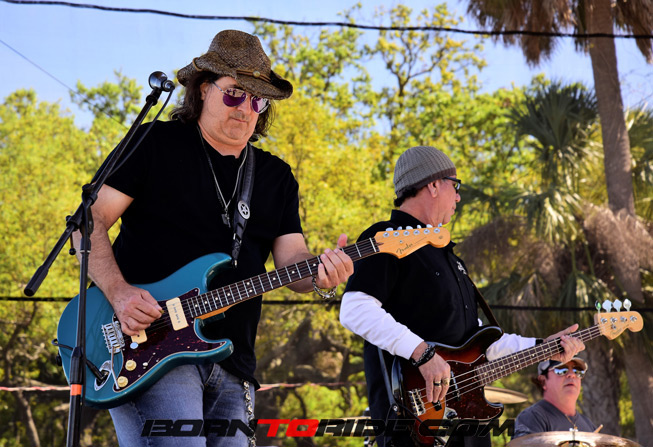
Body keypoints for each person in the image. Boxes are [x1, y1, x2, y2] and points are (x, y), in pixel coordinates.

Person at [73, 29, 353, 446]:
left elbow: (293, 261)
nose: (246, 109)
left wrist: (322, 274)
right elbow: (88, 221)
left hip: (234, 360)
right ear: (203, 89)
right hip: (148, 347)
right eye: (235, 94)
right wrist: (118, 292)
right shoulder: (154, 143)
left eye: (258, 100)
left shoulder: (276, 177)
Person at [339, 146, 585, 447]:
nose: (458, 197)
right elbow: (355, 308)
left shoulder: (451, 258)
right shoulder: (385, 237)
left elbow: (482, 343)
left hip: (468, 424)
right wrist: (423, 354)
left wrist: (543, 348)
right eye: (455, 186)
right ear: (433, 185)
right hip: (413, 425)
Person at [512, 357, 597, 438]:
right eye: (562, 370)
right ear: (543, 381)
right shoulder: (532, 417)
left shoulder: (588, 425)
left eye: (577, 371)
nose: (572, 375)